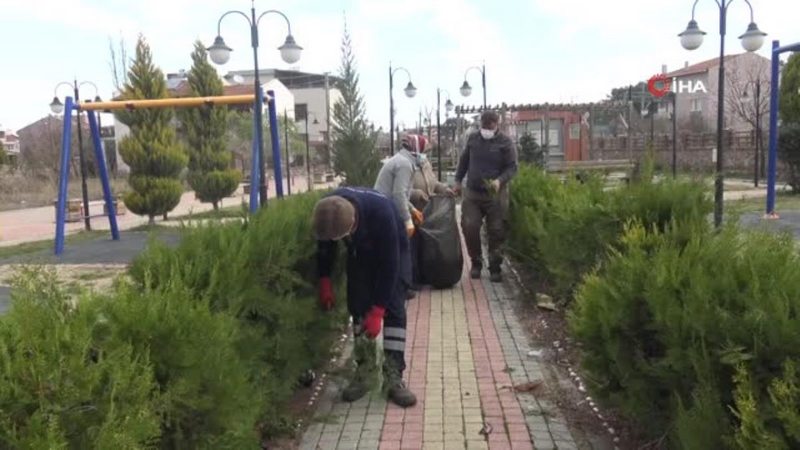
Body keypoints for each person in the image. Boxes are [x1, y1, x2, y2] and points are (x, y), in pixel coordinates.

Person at [313, 187, 417, 408]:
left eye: (342, 237)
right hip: (360, 254)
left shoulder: (382, 214)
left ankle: (393, 376)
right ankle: (365, 370)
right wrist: (324, 281)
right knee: (358, 303)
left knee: (394, 309)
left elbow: (390, 266)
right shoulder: (327, 210)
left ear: (352, 225)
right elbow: (325, 249)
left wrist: (379, 309)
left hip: (393, 252)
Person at [453, 110, 518, 283]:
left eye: (489, 126)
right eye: (483, 125)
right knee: (469, 226)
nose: (486, 129)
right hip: (473, 192)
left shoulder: (505, 143)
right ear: (480, 123)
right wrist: (458, 181)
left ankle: (495, 266)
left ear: (496, 125)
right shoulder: (473, 139)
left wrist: (499, 181)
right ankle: (476, 262)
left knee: (496, 230)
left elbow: (512, 168)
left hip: (495, 194)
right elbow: (464, 161)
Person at [374, 134, 427, 296]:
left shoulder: (403, 161)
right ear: (416, 149)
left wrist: (413, 210)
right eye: (424, 150)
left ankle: (402, 286)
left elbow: (402, 194)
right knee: (401, 249)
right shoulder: (404, 164)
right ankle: (401, 288)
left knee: (399, 248)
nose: (425, 155)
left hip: (385, 207)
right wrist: (407, 220)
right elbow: (398, 194)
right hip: (386, 210)